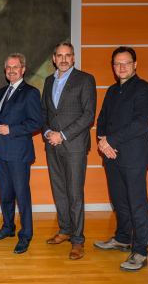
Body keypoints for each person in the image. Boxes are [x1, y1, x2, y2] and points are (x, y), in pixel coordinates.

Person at [94, 46, 148, 271]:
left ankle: (140, 251)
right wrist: (102, 141)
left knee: (136, 204)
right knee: (119, 201)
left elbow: (139, 124)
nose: (122, 67)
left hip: (134, 156)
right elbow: (102, 119)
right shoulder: (111, 90)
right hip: (111, 156)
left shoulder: (145, 89)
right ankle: (122, 238)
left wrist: (110, 142)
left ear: (135, 64)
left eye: (126, 62)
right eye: (117, 63)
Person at [41, 42, 96, 260]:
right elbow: (44, 112)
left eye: (68, 56)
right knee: (60, 191)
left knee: (75, 194)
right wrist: (47, 133)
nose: (63, 59)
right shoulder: (48, 80)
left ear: (73, 58)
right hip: (51, 145)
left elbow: (88, 115)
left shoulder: (85, 79)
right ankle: (65, 230)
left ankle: (78, 240)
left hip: (73, 145)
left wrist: (61, 135)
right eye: (59, 56)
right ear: (54, 58)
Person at [0, 53, 42, 254]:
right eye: (8, 67)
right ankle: (8, 227)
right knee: (5, 195)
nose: (11, 70)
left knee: (22, 195)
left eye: (15, 67)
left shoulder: (31, 93)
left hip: (19, 153)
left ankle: (26, 234)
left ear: (23, 69)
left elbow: (36, 122)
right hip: (1, 153)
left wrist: (12, 129)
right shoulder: (1, 92)